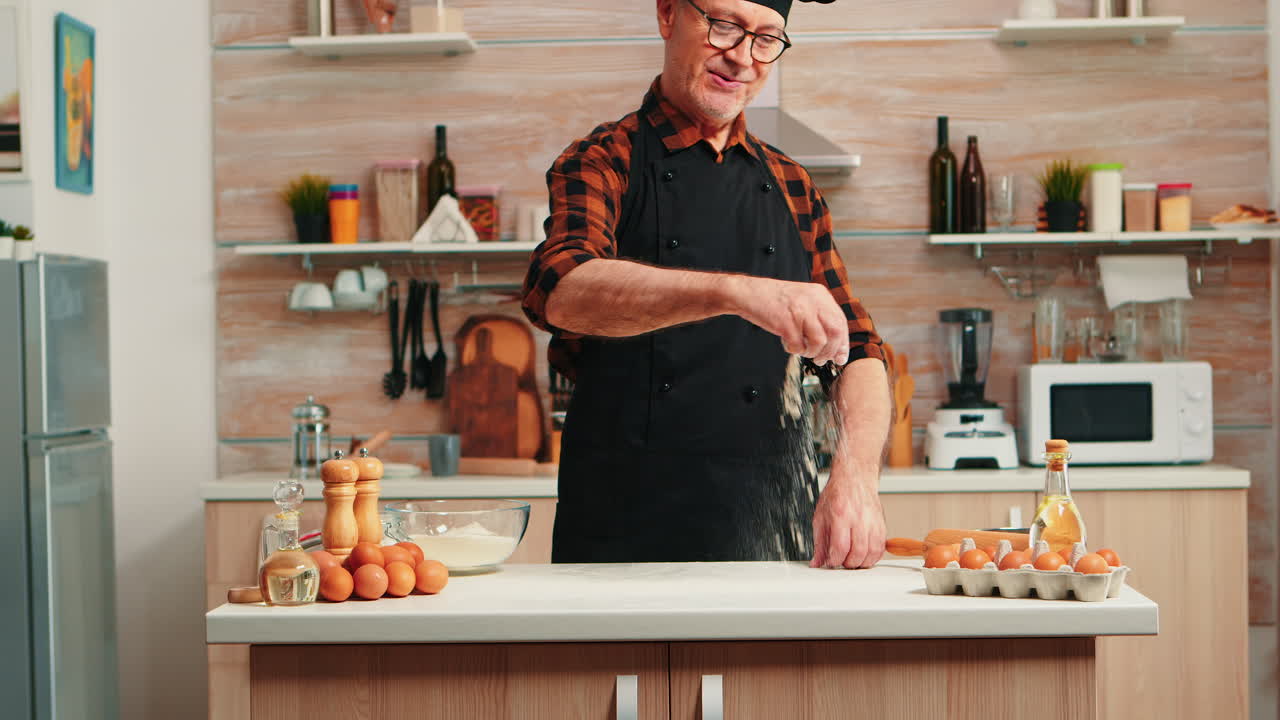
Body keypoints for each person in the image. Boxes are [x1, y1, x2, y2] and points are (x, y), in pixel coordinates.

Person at [520, 0, 891, 569]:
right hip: (625, 532)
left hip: (776, 525)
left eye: (767, 38)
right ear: (669, 15)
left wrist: (857, 479)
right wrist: (737, 293)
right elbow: (562, 287)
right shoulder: (603, 157)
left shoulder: (791, 181)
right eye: (724, 27)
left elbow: (858, 348)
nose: (742, 57)